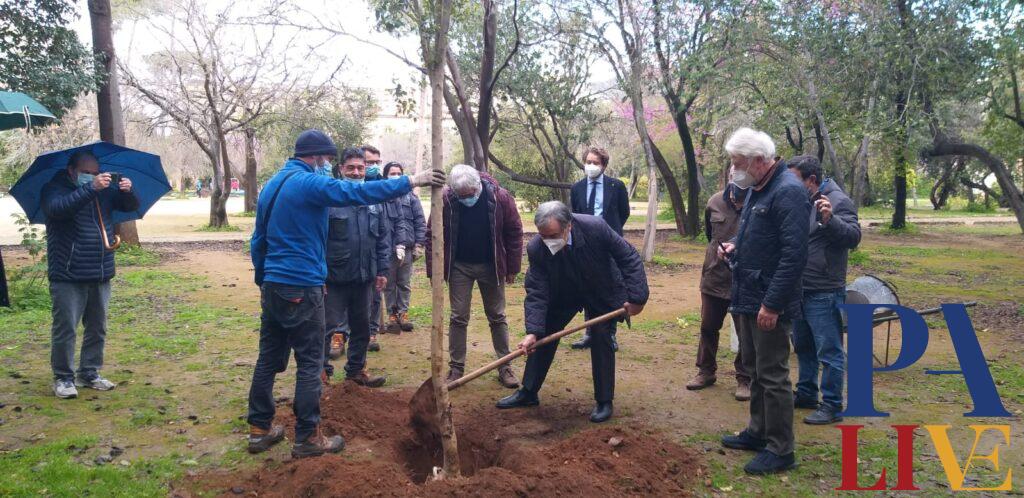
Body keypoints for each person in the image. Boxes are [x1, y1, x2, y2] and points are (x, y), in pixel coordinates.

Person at [246, 129, 444, 459]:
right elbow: (357, 193)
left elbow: (258, 239)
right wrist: (412, 181)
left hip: (274, 285)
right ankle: (308, 437)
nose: (327, 165)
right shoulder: (307, 182)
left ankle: (258, 429)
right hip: (302, 284)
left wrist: (264, 278)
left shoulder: (272, 185)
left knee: (268, 358)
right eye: (325, 160)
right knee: (311, 362)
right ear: (316, 158)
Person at [496, 201, 648, 423]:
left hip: (600, 289)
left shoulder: (596, 228)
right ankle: (528, 392)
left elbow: (629, 258)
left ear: (569, 227)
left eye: (553, 235)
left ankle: (604, 400)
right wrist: (533, 331)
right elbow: (537, 290)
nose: (548, 241)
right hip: (564, 293)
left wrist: (637, 298)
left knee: (601, 338)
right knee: (544, 336)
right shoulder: (537, 248)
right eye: (543, 235)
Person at [717, 127, 809, 475]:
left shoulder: (788, 192)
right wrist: (737, 248)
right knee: (755, 370)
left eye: (737, 163)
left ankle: (781, 448)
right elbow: (762, 238)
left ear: (758, 161)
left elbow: (794, 256)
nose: (733, 169)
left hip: (768, 300)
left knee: (773, 375)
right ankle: (758, 432)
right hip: (747, 294)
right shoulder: (760, 188)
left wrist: (772, 304)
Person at [42, 150, 139, 399]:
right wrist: (90, 189)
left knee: (97, 327)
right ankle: (63, 377)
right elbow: (57, 210)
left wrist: (128, 191)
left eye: (96, 172)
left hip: (100, 269)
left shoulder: (103, 190)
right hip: (68, 271)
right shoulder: (55, 188)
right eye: (87, 173)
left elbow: (129, 208)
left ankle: (90, 372)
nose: (94, 177)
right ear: (72, 171)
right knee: (66, 328)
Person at [425, 164, 523, 388]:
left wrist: (512, 267)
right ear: (453, 191)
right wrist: (434, 270)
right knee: (458, 317)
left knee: (497, 315)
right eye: (462, 196)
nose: (466, 199)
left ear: (479, 186)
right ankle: (456, 368)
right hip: (459, 266)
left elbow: (514, 231)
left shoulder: (501, 198)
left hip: (492, 264)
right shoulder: (446, 200)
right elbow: (432, 234)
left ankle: (505, 366)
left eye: (470, 195)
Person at [787, 155, 861, 425]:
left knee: (829, 351)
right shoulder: (803, 200)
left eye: (794, 180)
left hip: (824, 289)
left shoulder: (839, 201)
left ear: (812, 181)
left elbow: (854, 237)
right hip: (800, 287)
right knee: (803, 345)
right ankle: (806, 393)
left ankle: (832, 404)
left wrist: (831, 220)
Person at [321, 148, 391, 388]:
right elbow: (318, 240)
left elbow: (382, 238)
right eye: (350, 167)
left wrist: (382, 271)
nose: (356, 172)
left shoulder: (373, 199)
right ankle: (321, 375)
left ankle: (356, 371)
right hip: (333, 278)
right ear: (341, 169)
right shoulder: (329, 199)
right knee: (326, 328)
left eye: (360, 167)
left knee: (362, 327)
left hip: (365, 277)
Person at [687, 180, 752, 401]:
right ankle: (706, 371)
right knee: (708, 326)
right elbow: (710, 235)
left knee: (745, 332)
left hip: (744, 278)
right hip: (714, 276)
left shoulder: (757, 201)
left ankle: (745, 378)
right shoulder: (714, 202)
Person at [569, 146, 630, 351]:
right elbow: (575, 215)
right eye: (588, 162)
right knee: (588, 287)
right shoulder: (577, 188)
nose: (591, 166)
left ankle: (609, 334)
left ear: (604, 165)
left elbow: (623, 213)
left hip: (610, 244)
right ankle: (589, 333)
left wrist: (609, 232)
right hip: (585, 245)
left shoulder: (617, 186)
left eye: (595, 163)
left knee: (610, 288)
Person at [361, 144, 403, 352]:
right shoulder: (349, 188)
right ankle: (341, 334)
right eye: (369, 163)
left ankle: (372, 333)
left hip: (380, 250)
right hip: (353, 252)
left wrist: (400, 243)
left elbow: (396, 220)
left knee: (376, 294)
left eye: (377, 162)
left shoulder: (386, 190)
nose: (373, 167)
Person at [382, 161, 427, 332]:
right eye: (392, 173)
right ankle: (391, 314)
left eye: (398, 173)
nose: (395, 176)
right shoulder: (382, 196)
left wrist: (419, 244)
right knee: (388, 283)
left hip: (407, 248)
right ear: (385, 175)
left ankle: (403, 312)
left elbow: (420, 222)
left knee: (404, 282)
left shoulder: (411, 198)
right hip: (387, 249)